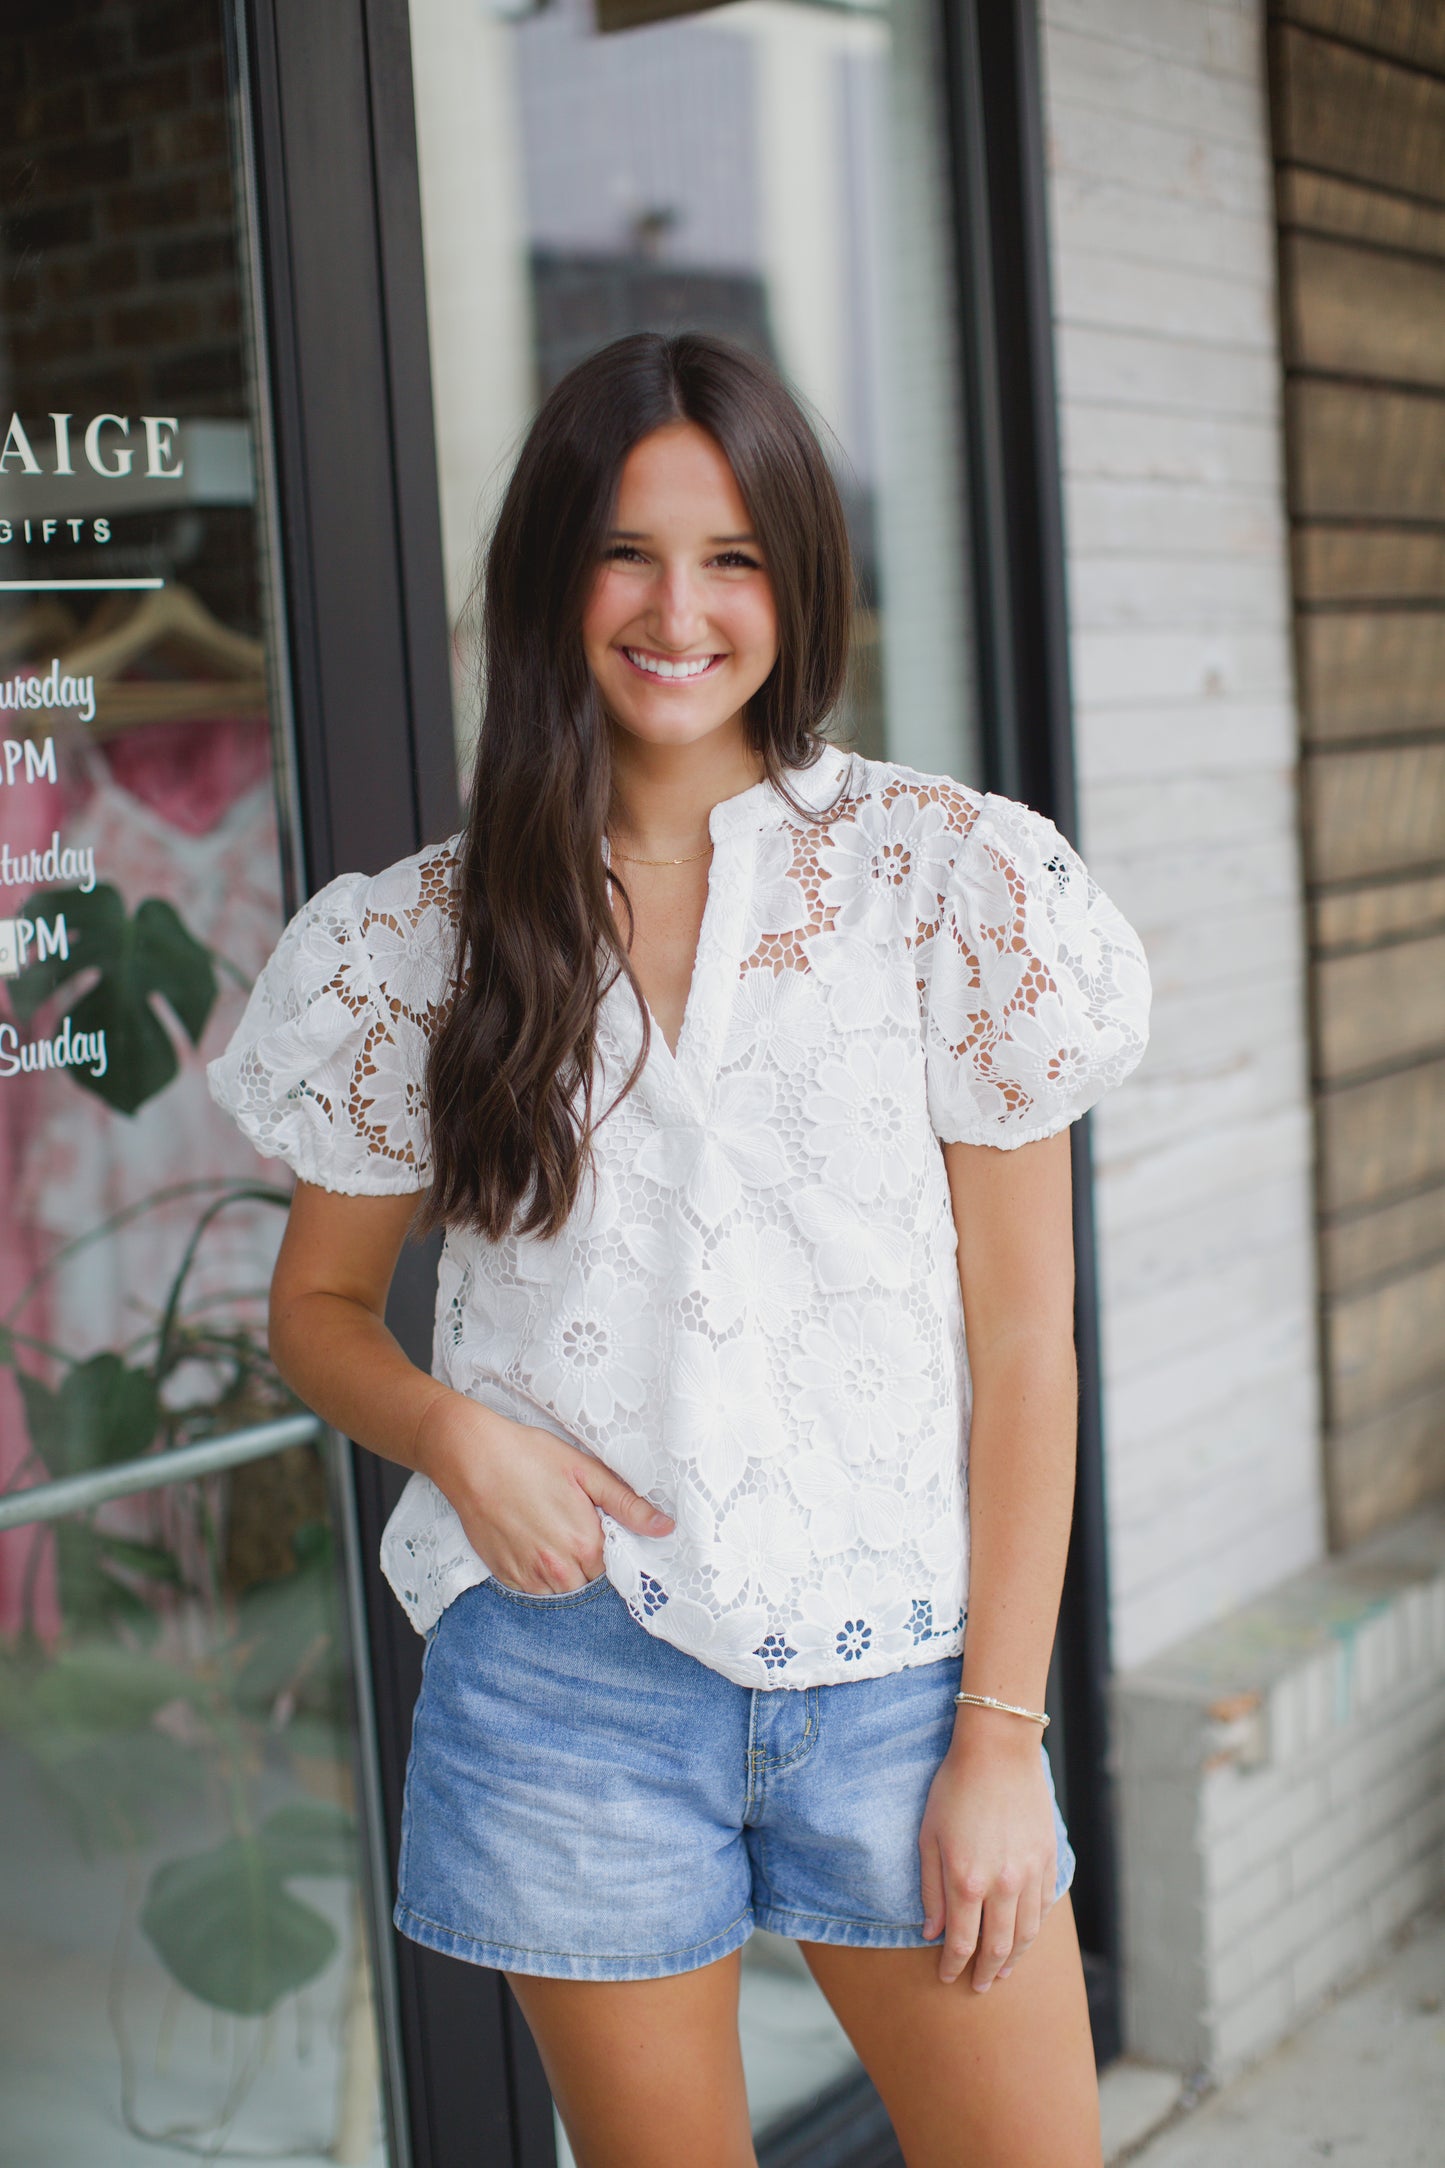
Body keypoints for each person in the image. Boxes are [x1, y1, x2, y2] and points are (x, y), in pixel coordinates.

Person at [209, 331, 1150, 2168]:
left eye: (730, 558)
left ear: (794, 582)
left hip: (908, 1675)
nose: (675, 609)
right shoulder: (413, 940)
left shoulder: (947, 882)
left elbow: (1027, 1343)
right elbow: (315, 1315)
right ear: (553, 573)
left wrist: (998, 1738)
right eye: (626, 551)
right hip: (570, 1683)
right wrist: (450, 1433)